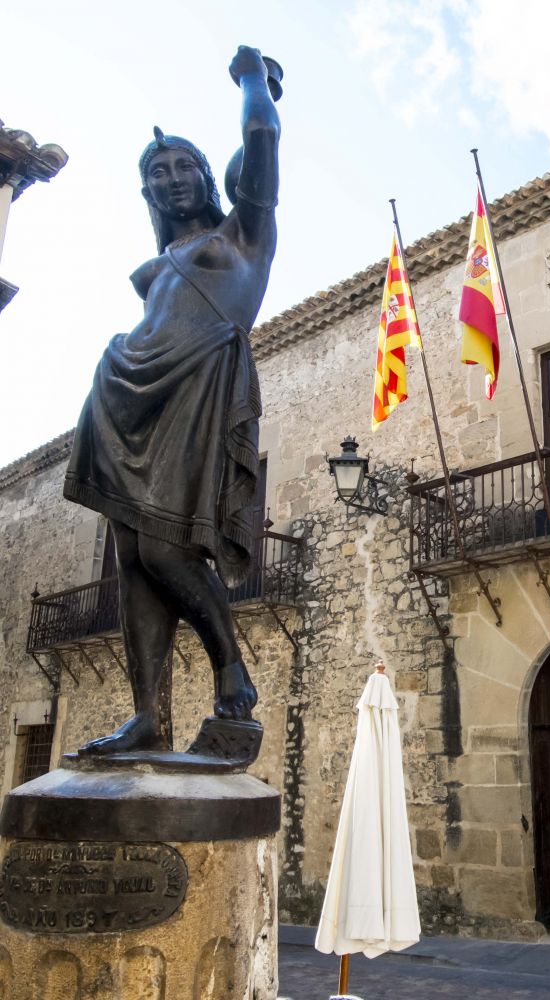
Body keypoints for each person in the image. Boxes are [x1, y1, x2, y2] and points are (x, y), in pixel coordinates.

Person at [64, 46, 280, 755]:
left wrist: (254, 79)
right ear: (147, 193)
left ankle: (230, 668)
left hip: (197, 386)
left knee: (164, 547)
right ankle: (147, 719)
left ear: (209, 178)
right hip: (125, 390)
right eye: (157, 173)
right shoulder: (156, 264)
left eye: (185, 165)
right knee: (131, 558)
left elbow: (261, 137)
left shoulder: (244, 233)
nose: (172, 177)